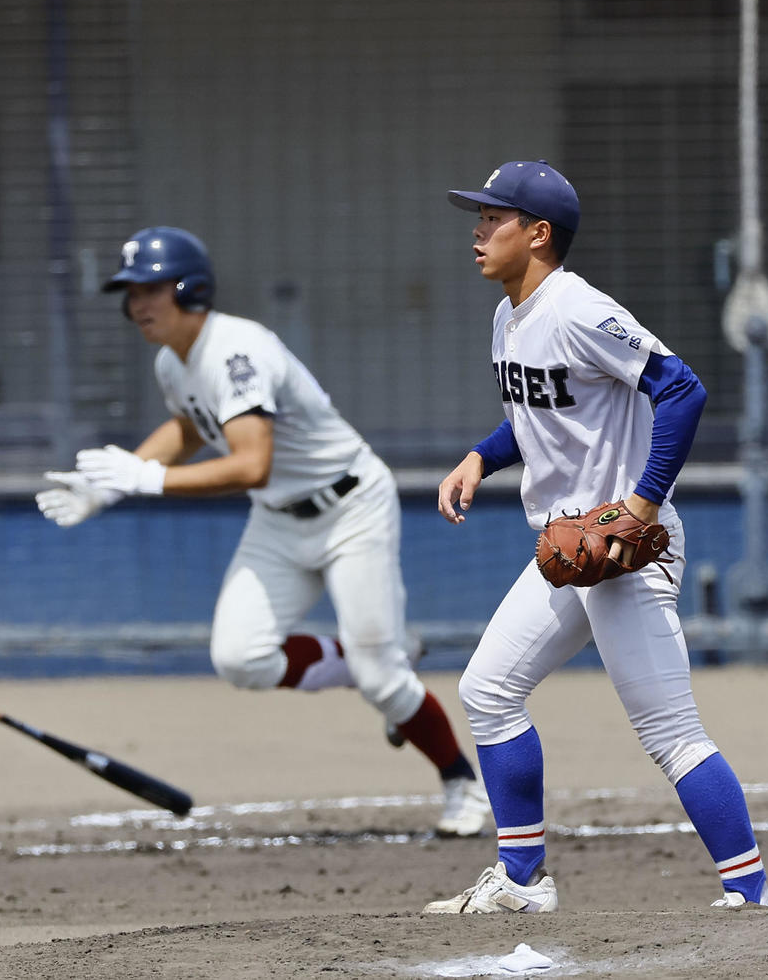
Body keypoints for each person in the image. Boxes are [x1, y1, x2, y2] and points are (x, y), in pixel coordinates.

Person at [35, 225, 490, 837]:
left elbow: (252, 464)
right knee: (239, 657)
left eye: (149, 288)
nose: (135, 303)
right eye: (129, 291)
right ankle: (370, 659)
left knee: (384, 680)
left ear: (188, 288)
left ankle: (461, 779)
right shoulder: (173, 360)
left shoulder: (237, 348)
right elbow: (193, 428)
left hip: (350, 508)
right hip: (279, 520)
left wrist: (145, 480)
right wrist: (111, 484)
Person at [423, 161, 768, 912]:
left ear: (539, 233)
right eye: (479, 216)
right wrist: (481, 456)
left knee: (669, 731)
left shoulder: (577, 308)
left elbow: (681, 387)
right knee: (488, 691)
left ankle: (748, 893)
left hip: (622, 549)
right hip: (566, 550)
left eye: (495, 218)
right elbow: (541, 412)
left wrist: (644, 506)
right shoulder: (508, 315)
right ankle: (521, 880)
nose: (479, 231)